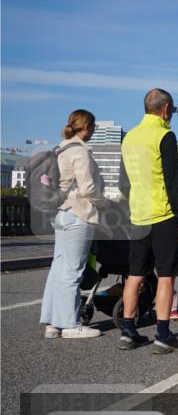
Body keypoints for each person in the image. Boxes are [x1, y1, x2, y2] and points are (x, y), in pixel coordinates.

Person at [119, 89, 178, 353]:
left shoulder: (129, 137)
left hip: (137, 215)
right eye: (171, 110)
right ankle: (163, 334)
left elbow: (123, 182)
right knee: (166, 276)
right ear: (165, 109)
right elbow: (173, 182)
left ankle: (128, 330)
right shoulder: (164, 135)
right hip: (163, 215)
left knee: (135, 275)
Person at [40, 110, 105, 339]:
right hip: (79, 213)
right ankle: (70, 324)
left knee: (58, 268)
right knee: (73, 270)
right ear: (87, 127)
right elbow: (88, 189)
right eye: (94, 126)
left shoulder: (60, 149)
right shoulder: (80, 152)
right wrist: (104, 202)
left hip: (61, 213)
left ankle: (52, 323)